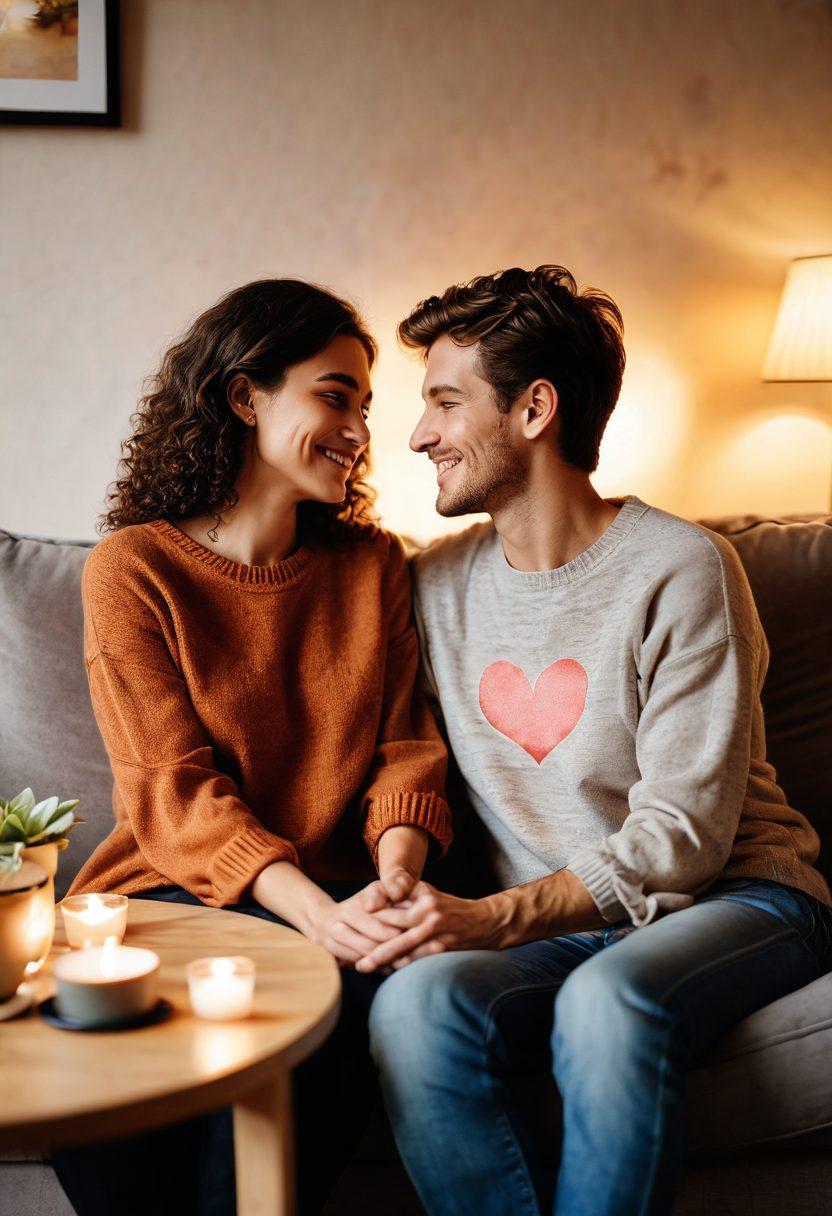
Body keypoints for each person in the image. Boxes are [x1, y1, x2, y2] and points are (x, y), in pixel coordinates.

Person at [360, 265, 832, 1216]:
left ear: (535, 409)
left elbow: (682, 842)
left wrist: (487, 920)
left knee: (608, 1003)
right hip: (570, 928)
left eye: (446, 403)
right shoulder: (432, 585)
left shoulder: (682, 569)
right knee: (413, 1007)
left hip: (738, 897)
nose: (418, 436)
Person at [52, 277, 451, 1216]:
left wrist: (394, 879)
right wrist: (316, 915)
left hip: (343, 905)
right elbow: (172, 794)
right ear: (245, 396)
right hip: (159, 904)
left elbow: (407, 749)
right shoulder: (133, 568)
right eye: (335, 395)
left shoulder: (374, 567)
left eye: (365, 405)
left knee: (352, 1006)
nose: (360, 433)